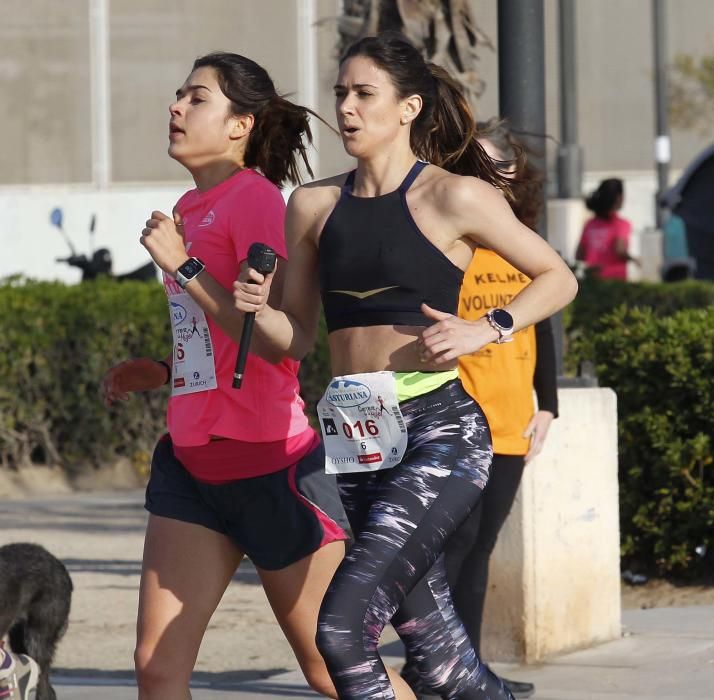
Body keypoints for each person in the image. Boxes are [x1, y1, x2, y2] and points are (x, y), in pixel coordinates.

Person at [233, 33, 577, 700]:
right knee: (442, 658)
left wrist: (488, 326)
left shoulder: (455, 198)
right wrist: (253, 306)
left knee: (341, 628)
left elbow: (556, 277)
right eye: (341, 95)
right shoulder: (312, 205)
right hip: (357, 432)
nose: (348, 109)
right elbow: (295, 337)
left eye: (365, 94)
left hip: (438, 431)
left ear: (409, 107)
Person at [101, 52, 351, 700]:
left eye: (196, 98)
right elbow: (211, 336)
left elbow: (281, 345)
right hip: (192, 469)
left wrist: (183, 267)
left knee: (334, 671)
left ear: (240, 124)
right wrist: (160, 369)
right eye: (178, 96)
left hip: (270, 468)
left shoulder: (260, 203)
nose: (175, 108)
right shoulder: (189, 205)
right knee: (157, 671)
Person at [400, 118, 558, 700]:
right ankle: (444, 667)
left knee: (481, 547)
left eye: (506, 172)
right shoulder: (454, 239)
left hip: (514, 417)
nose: (499, 183)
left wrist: (551, 406)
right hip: (462, 420)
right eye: (486, 171)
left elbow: (546, 322)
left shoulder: (523, 238)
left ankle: (464, 665)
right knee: (453, 548)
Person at [576, 178, 637, 279]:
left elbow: (579, 254)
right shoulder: (621, 224)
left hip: (592, 278)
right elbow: (620, 250)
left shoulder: (590, 224)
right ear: (619, 198)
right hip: (614, 280)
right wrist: (635, 260)